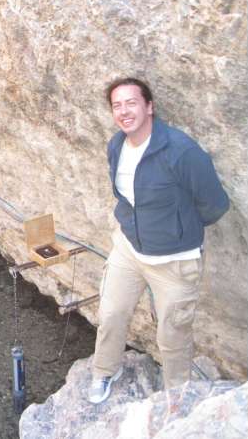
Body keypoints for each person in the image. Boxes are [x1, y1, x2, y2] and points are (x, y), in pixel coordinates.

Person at [87, 77, 230, 404]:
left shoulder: (181, 152)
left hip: (174, 262)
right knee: (111, 314)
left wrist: (176, 232)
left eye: (131, 102)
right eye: (117, 105)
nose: (124, 111)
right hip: (129, 249)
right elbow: (123, 196)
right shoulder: (116, 145)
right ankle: (105, 370)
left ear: (149, 107)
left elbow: (215, 205)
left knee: (173, 336)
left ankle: (175, 395)